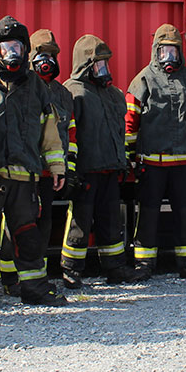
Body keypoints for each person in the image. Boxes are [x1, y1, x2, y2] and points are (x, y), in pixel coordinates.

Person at [0, 15, 67, 308]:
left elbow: (50, 128)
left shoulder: (36, 86)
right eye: (6, 48)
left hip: (25, 175)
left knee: (28, 238)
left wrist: (57, 166)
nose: (13, 54)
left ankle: (34, 289)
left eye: (18, 47)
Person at [126, 23, 186, 280]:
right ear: (155, 52)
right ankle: (144, 264)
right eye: (163, 52)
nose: (169, 58)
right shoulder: (143, 79)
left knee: (185, 214)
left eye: (173, 52)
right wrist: (131, 156)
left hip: (184, 163)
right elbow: (131, 121)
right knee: (149, 213)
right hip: (153, 162)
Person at [0, 29, 74, 293]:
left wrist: (63, 169)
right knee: (17, 226)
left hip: (49, 174)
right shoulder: (22, 86)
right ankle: (10, 277)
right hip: (25, 170)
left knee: (44, 224)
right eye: (42, 55)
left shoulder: (63, 94)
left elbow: (66, 134)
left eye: (52, 55)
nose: (47, 61)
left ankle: (36, 275)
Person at [60, 34, 132, 286]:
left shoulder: (113, 94)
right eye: (98, 65)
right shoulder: (73, 91)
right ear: (85, 65)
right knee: (80, 221)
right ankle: (71, 269)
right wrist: (71, 169)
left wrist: (122, 161)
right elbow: (68, 133)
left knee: (111, 220)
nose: (104, 70)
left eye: (105, 64)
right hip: (86, 171)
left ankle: (115, 268)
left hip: (110, 169)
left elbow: (120, 131)